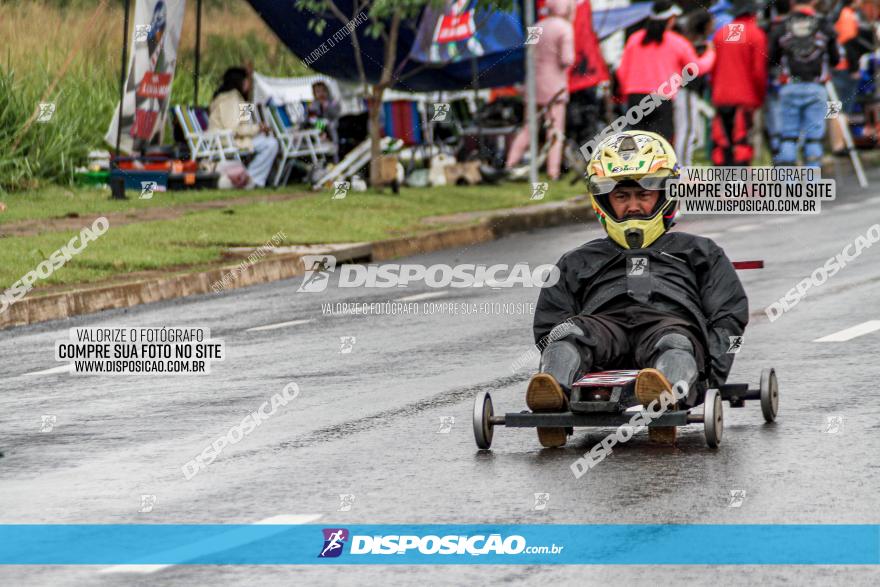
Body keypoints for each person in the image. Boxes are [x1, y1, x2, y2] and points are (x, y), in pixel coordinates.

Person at [526, 131, 748, 448]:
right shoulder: (578, 261)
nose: (633, 207)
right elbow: (549, 323)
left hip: (669, 324)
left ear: (665, 194)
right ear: (603, 201)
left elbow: (729, 317)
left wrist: (710, 378)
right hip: (604, 327)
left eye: (643, 195)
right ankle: (553, 397)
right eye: (621, 197)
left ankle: (667, 394)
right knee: (565, 335)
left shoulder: (699, 252)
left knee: (674, 342)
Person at [506, 0, 574, 180]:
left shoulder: (536, 27)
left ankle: (510, 164)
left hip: (533, 86)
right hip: (555, 88)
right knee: (555, 130)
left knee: (528, 128)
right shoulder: (564, 28)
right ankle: (553, 171)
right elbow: (567, 59)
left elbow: (529, 56)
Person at [769, 0, 839, 167]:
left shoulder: (782, 26)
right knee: (813, 138)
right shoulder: (823, 25)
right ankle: (812, 183)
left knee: (788, 135)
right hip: (816, 87)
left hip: (789, 87)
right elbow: (835, 59)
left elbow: (771, 58)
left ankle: (788, 184)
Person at [710, 0, 768, 166]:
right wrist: (760, 97)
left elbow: (716, 67)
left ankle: (723, 187)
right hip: (745, 99)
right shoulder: (755, 34)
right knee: (741, 143)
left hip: (721, 97)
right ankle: (740, 187)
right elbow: (758, 72)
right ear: (753, 13)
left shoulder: (722, 33)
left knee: (723, 143)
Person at [209, 67, 280, 188]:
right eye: (248, 80)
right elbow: (234, 129)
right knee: (271, 144)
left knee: (269, 141)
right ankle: (252, 179)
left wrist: (259, 129)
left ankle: (247, 178)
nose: (250, 84)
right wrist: (258, 128)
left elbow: (244, 123)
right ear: (240, 81)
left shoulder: (239, 98)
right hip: (226, 141)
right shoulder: (229, 99)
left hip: (236, 139)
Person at [674, 9, 714, 166]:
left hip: (686, 91)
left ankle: (682, 165)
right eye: (711, 22)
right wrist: (710, 51)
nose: (714, 25)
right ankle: (682, 168)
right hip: (686, 91)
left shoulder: (692, 41)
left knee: (687, 130)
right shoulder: (698, 44)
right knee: (687, 130)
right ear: (704, 25)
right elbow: (695, 69)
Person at [764, 0, 792, 157]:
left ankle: (779, 156)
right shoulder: (794, 26)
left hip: (773, 80)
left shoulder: (768, 28)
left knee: (775, 120)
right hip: (791, 79)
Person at [308, 81, 341, 163]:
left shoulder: (332, 101)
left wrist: (327, 107)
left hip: (334, 125)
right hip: (321, 127)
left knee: (333, 126)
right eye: (318, 92)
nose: (321, 94)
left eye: (323, 91)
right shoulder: (313, 104)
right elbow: (311, 119)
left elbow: (336, 113)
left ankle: (336, 153)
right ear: (314, 94)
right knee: (319, 125)